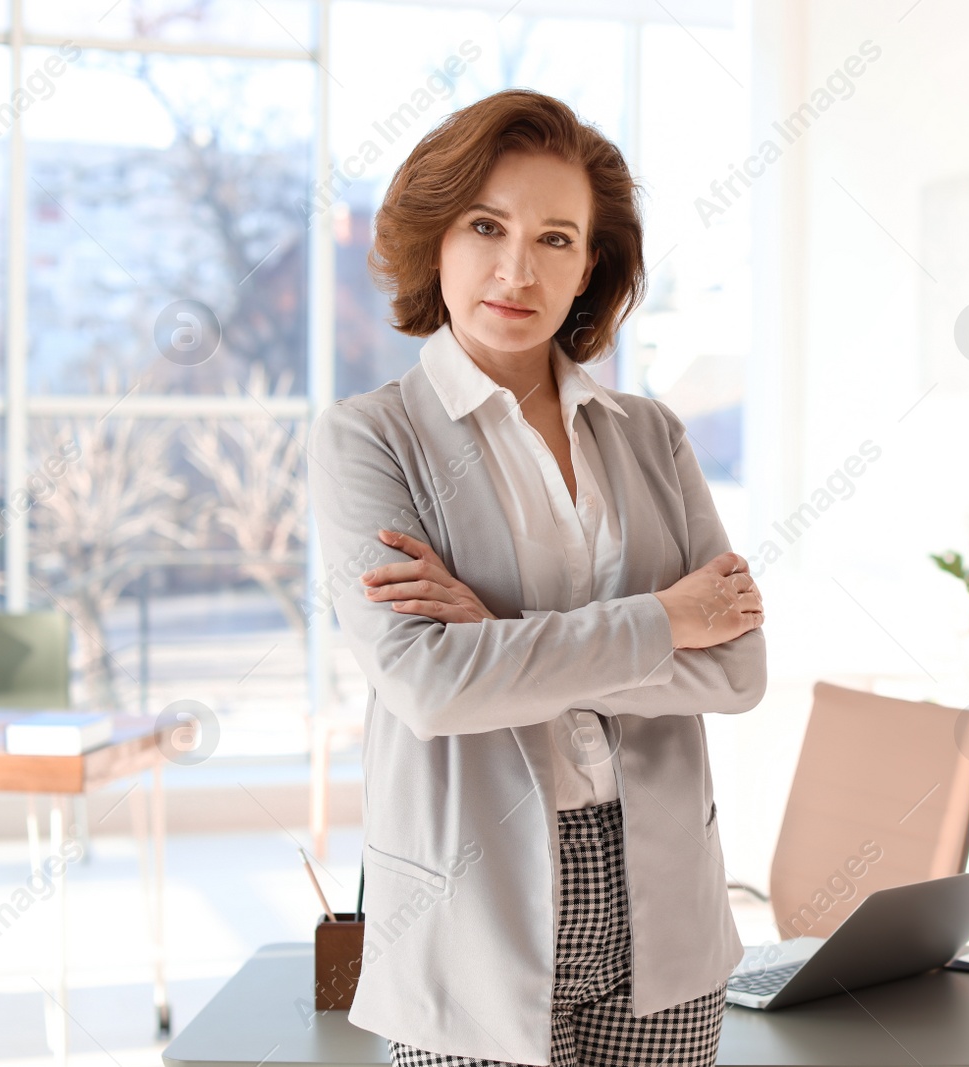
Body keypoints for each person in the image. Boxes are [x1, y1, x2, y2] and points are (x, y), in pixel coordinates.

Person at [307, 88, 767, 1067]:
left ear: (589, 264)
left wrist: (497, 629)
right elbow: (430, 686)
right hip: (467, 915)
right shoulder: (368, 439)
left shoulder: (652, 433)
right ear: (437, 237)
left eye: (556, 238)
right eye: (486, 226)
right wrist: (663, 621)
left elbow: (736, 670)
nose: (518, 269)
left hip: (668, 911)